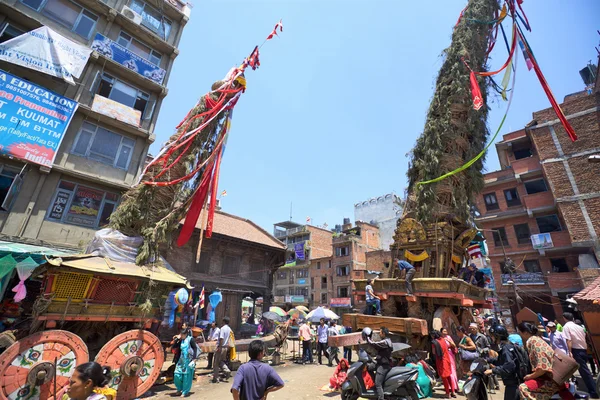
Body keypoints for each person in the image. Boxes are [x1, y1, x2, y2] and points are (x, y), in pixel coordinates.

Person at [517, 322, 575, 400]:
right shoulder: (537, 340)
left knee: (523, 388)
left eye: (520, 332)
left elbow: (543, 368)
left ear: (526, 333)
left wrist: (530, 376)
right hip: (551, 378)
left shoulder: (534, 342)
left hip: (551, 380)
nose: (519, 335)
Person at [562, 312, 599, 398]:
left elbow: (569, 340)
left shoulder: (566, 327)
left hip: (576, 350)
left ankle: (594, 391)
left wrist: (570, 352)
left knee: (585, 372)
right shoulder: (579, 327)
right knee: (584, 371)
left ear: (564, 318)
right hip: (583, 350)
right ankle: (592, 389)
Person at [485, 325, 520, 400]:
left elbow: (509, 366)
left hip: (513, 385)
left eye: (492, 336)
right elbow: (501, 360)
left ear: (498, 336)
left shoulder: (506, 348)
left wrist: (492, 370)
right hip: (512, 383)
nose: (492, 338)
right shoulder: (507, 345)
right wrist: (488, 360)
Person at [367, 327, 393, 400]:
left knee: (378, 384)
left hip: (383, 365)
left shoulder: (385, 342)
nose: (379, 333)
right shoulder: (387, 341)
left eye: (380, 332)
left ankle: (381, 398)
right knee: (369, 367)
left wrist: (367, 338)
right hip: (379, 363)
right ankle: (374, 383)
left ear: (383, 333)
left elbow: (374, 344)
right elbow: (377, 347)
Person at [173, 329, 199, 397]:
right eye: (180, 334)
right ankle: (179, 388)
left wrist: (194, 359)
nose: (181, 336)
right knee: (177, 375)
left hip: (188, 361)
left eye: (182, 335)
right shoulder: (181, 340)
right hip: (181, 361)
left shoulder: (190, 339)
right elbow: (174, 346)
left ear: (186, 334)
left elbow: (195, 348)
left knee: (186, 377)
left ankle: (185, 391)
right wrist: (177, 339)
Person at [431, 330, 456, 398]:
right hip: (447, 359)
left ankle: (447, 393)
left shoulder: (434, 342)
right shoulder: (443, 339)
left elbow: (433, 352)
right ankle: (453, 392)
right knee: (449, 376)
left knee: (444, 377)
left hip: (441, 361)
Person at [213, 316, 232, 383]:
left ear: (223, 321)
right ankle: (226, 370)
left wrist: (219, 347)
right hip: (226, 347)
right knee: (220, 361)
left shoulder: (222, 329)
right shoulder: (229, 329)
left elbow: (221, 338)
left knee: (216, 363)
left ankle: (216, 378)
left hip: (221, 346)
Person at [440, 327, 459, 395]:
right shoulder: (440, 339)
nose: (445, 332)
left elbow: (454, 345)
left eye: (446, 331)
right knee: (447, 370)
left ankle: (455, 386)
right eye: (444, 331)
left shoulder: (449, 337)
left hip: (450, 354)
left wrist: (449, 341)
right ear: (441, 332)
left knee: (452, 369)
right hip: (444, 355)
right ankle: (450, 387)